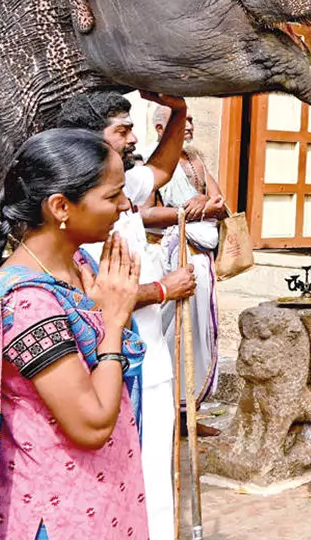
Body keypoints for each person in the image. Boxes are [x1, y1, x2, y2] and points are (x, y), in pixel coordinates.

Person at [0, 129, 148, 540]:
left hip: (100, 502)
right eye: (112, 195)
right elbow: (92, 424)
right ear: (61, 206)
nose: (125, 206)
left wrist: (105, 311)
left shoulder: (78, 265)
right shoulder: (29, 303)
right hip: (59, 514)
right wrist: (114, 322)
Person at [55, 90, 195, 540]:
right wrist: (161, 289)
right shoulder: (84, 211)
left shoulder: (121, 185)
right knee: (135, 476)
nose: (134, 138)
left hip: (151, 358)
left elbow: (162, 168)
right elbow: (92, 297)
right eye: (122, 130)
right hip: (115, 367)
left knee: (155, 470)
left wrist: (180, 110)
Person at [139, 106, 228, 419]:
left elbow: (219, 202)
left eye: (190, 119)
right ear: (162, 130)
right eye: (182, 121)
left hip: (201, 259)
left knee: (199, 338)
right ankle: (169, 417)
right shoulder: (149, 163)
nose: (189, 124)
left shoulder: (195, 160)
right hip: (173, 258)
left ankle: (190, 412)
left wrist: (205, 203)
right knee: (173, 334)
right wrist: (188, 213)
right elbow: (145, 215)